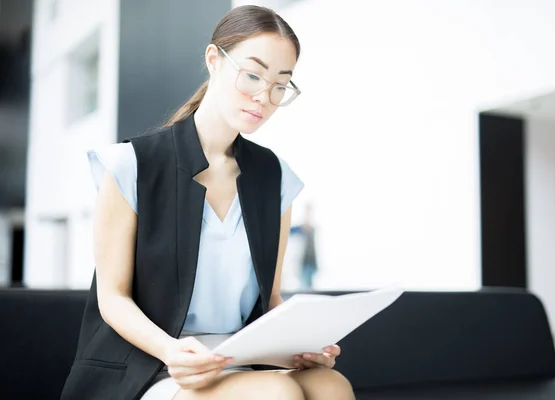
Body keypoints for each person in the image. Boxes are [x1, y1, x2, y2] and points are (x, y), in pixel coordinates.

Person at [60, 5, 355, 400]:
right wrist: (171, 351)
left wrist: (301, 345)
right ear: (214, 60)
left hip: (238, 358)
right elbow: (112, 298)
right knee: (273, 393)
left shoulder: (276, 177)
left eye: (280, 85)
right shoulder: (131, 165)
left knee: (332, 386)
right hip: (154, 363)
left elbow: (269, 299)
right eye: (252, 75)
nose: (264, 97)